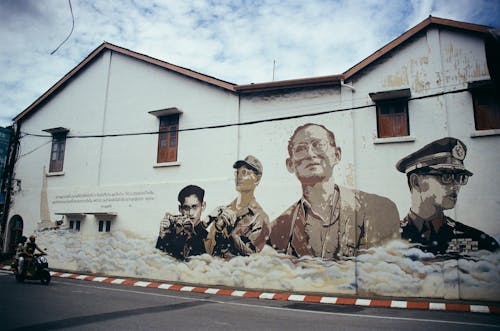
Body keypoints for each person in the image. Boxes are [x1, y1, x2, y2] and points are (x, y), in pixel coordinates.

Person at [268, 123, 400, 259]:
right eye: (301, 148)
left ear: (336, 155)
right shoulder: (277, 230)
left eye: (318, 145)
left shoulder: (379, 210)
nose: (310, 154)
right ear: (290, 165)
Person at [396, 137, 499, 255]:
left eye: (459, 177)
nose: (455, 185)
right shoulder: (385, 240)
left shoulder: (481, 242)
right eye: (446, 176)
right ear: (416, 182)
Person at [207, 155, 271, 258]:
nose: (238, 177)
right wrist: (218, 229)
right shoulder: (223, 211)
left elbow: (253, 257)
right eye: (237, 172)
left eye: (244, 172)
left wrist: (233, 234)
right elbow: (208, 250)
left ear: (257, 179)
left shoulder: (261, 218)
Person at [155, 185, 210, 260]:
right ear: (180, 209)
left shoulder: (208, 237)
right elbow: (158, 262)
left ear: (203, 206)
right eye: (186, 208)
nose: (190, 213)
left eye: (194, 207)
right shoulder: (171, 234)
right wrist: (162, 237)